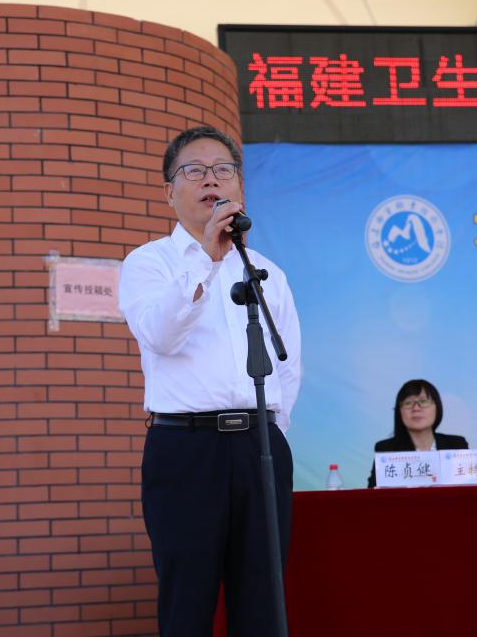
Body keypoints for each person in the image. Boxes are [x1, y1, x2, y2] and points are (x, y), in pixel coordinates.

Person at [118, 125, 302, 637]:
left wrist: (273, 433)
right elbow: (159, 335)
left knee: (263, 603)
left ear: (239, 186)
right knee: (187, 604)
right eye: (194, 171)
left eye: (223, 170)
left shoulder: (266, 272)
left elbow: (288, 366)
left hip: (260, 447)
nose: (211, 180)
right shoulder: (148, 263)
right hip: (186, 449)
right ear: (169, 192)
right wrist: (207, 257)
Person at [367, 379, 468, 488]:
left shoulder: (456, 446)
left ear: (437, 407)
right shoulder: (387, 449)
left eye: (423, 401)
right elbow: (372, 494)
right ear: (399, 412)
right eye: (408, 403)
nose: (416, 408)